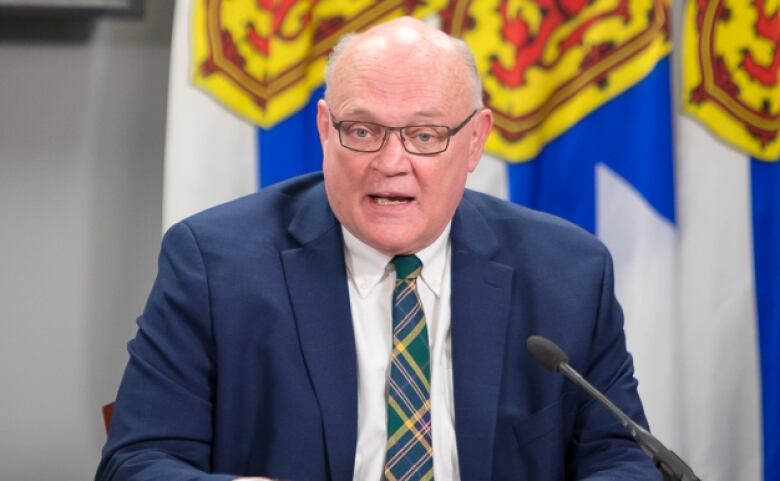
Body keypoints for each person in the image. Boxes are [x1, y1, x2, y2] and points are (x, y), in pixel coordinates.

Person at [96, 16, 660, 481]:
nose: (391, 163)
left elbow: (623, 458)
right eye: (363, 131)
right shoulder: (215, 264)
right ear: (324, 128)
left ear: (475, 141)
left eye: (425, 136)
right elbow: (136, 462)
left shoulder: (567, 273)